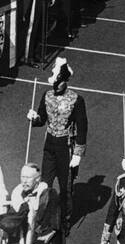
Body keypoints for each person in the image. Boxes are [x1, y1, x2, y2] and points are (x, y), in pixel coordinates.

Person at [26, 56, 87, 228]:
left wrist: (78, 153)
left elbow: (82, 128)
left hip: (66, 147)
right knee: (44, 184)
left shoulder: (76, 99)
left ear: (65, 81)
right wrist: (34, 118)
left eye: (59, 82)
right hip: (50, 144)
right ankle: (44, 218)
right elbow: (41, 120)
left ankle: (64, 221)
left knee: (65, 188)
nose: (56, 85)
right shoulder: (47, 95)